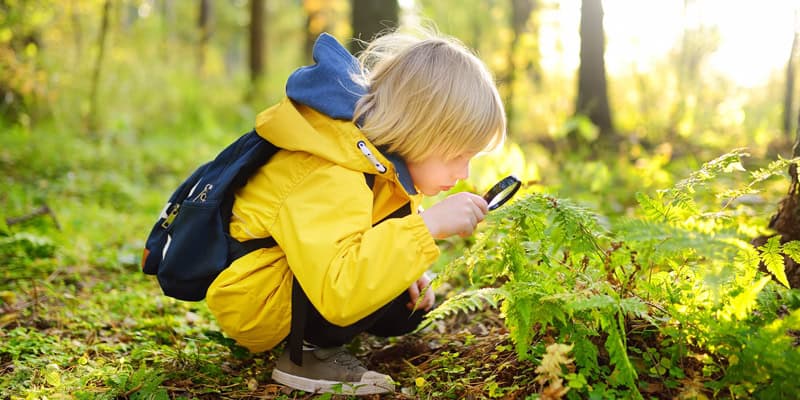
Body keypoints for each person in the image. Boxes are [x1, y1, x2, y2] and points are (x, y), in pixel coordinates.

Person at [205, 28, 506, 395]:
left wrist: (406, 266)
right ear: (419, 131)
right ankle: (306, 357)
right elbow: (339, 286)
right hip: (256, 299)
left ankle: (318, 339)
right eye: (457, 156)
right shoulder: (332, 169)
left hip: (306, 277)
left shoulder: (382, 165)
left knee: (405, 305)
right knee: (375, 284)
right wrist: (425, 228)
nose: (464, 174)